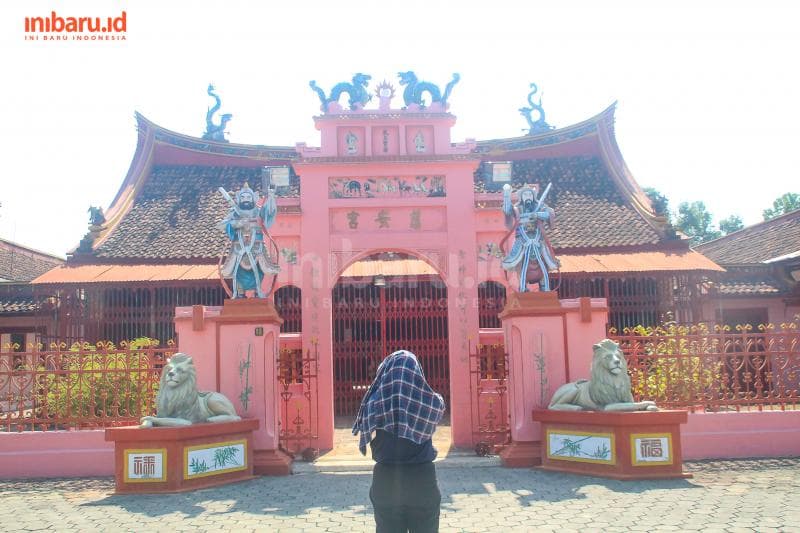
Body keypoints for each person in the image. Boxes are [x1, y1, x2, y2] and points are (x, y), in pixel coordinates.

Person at [353, 350, 446, 533]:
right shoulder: (431, 402)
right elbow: (438, 406)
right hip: (422, 480)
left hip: (386, 480)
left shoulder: (375, 402)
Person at [217, 182, 279, 298]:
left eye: (248, 197)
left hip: (257, 246)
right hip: (238, 247)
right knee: (238, 270)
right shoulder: (234, 212)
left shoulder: (259, 211)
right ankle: (239, 292)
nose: (246, 199)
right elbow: (220, 225)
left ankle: (257, 291)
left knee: (260, 268)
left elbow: (269, 213)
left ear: (254, 198)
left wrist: (271, 196)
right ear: (238, 199)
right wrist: (236, 223)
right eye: (243, 197)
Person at [500, 183, 559, 292]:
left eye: (530, 194)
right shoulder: (517, 208)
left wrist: (538, 215)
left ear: (533, 196)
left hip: (537, 240)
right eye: (525, 194)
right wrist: (507, 194)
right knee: (518, 261)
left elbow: (550, 214)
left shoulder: (539, 207)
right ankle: (523, 287)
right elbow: (507, 210)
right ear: (521, 197)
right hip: (523, 240)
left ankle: (545, 287)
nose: (528, 196)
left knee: (545, 261)